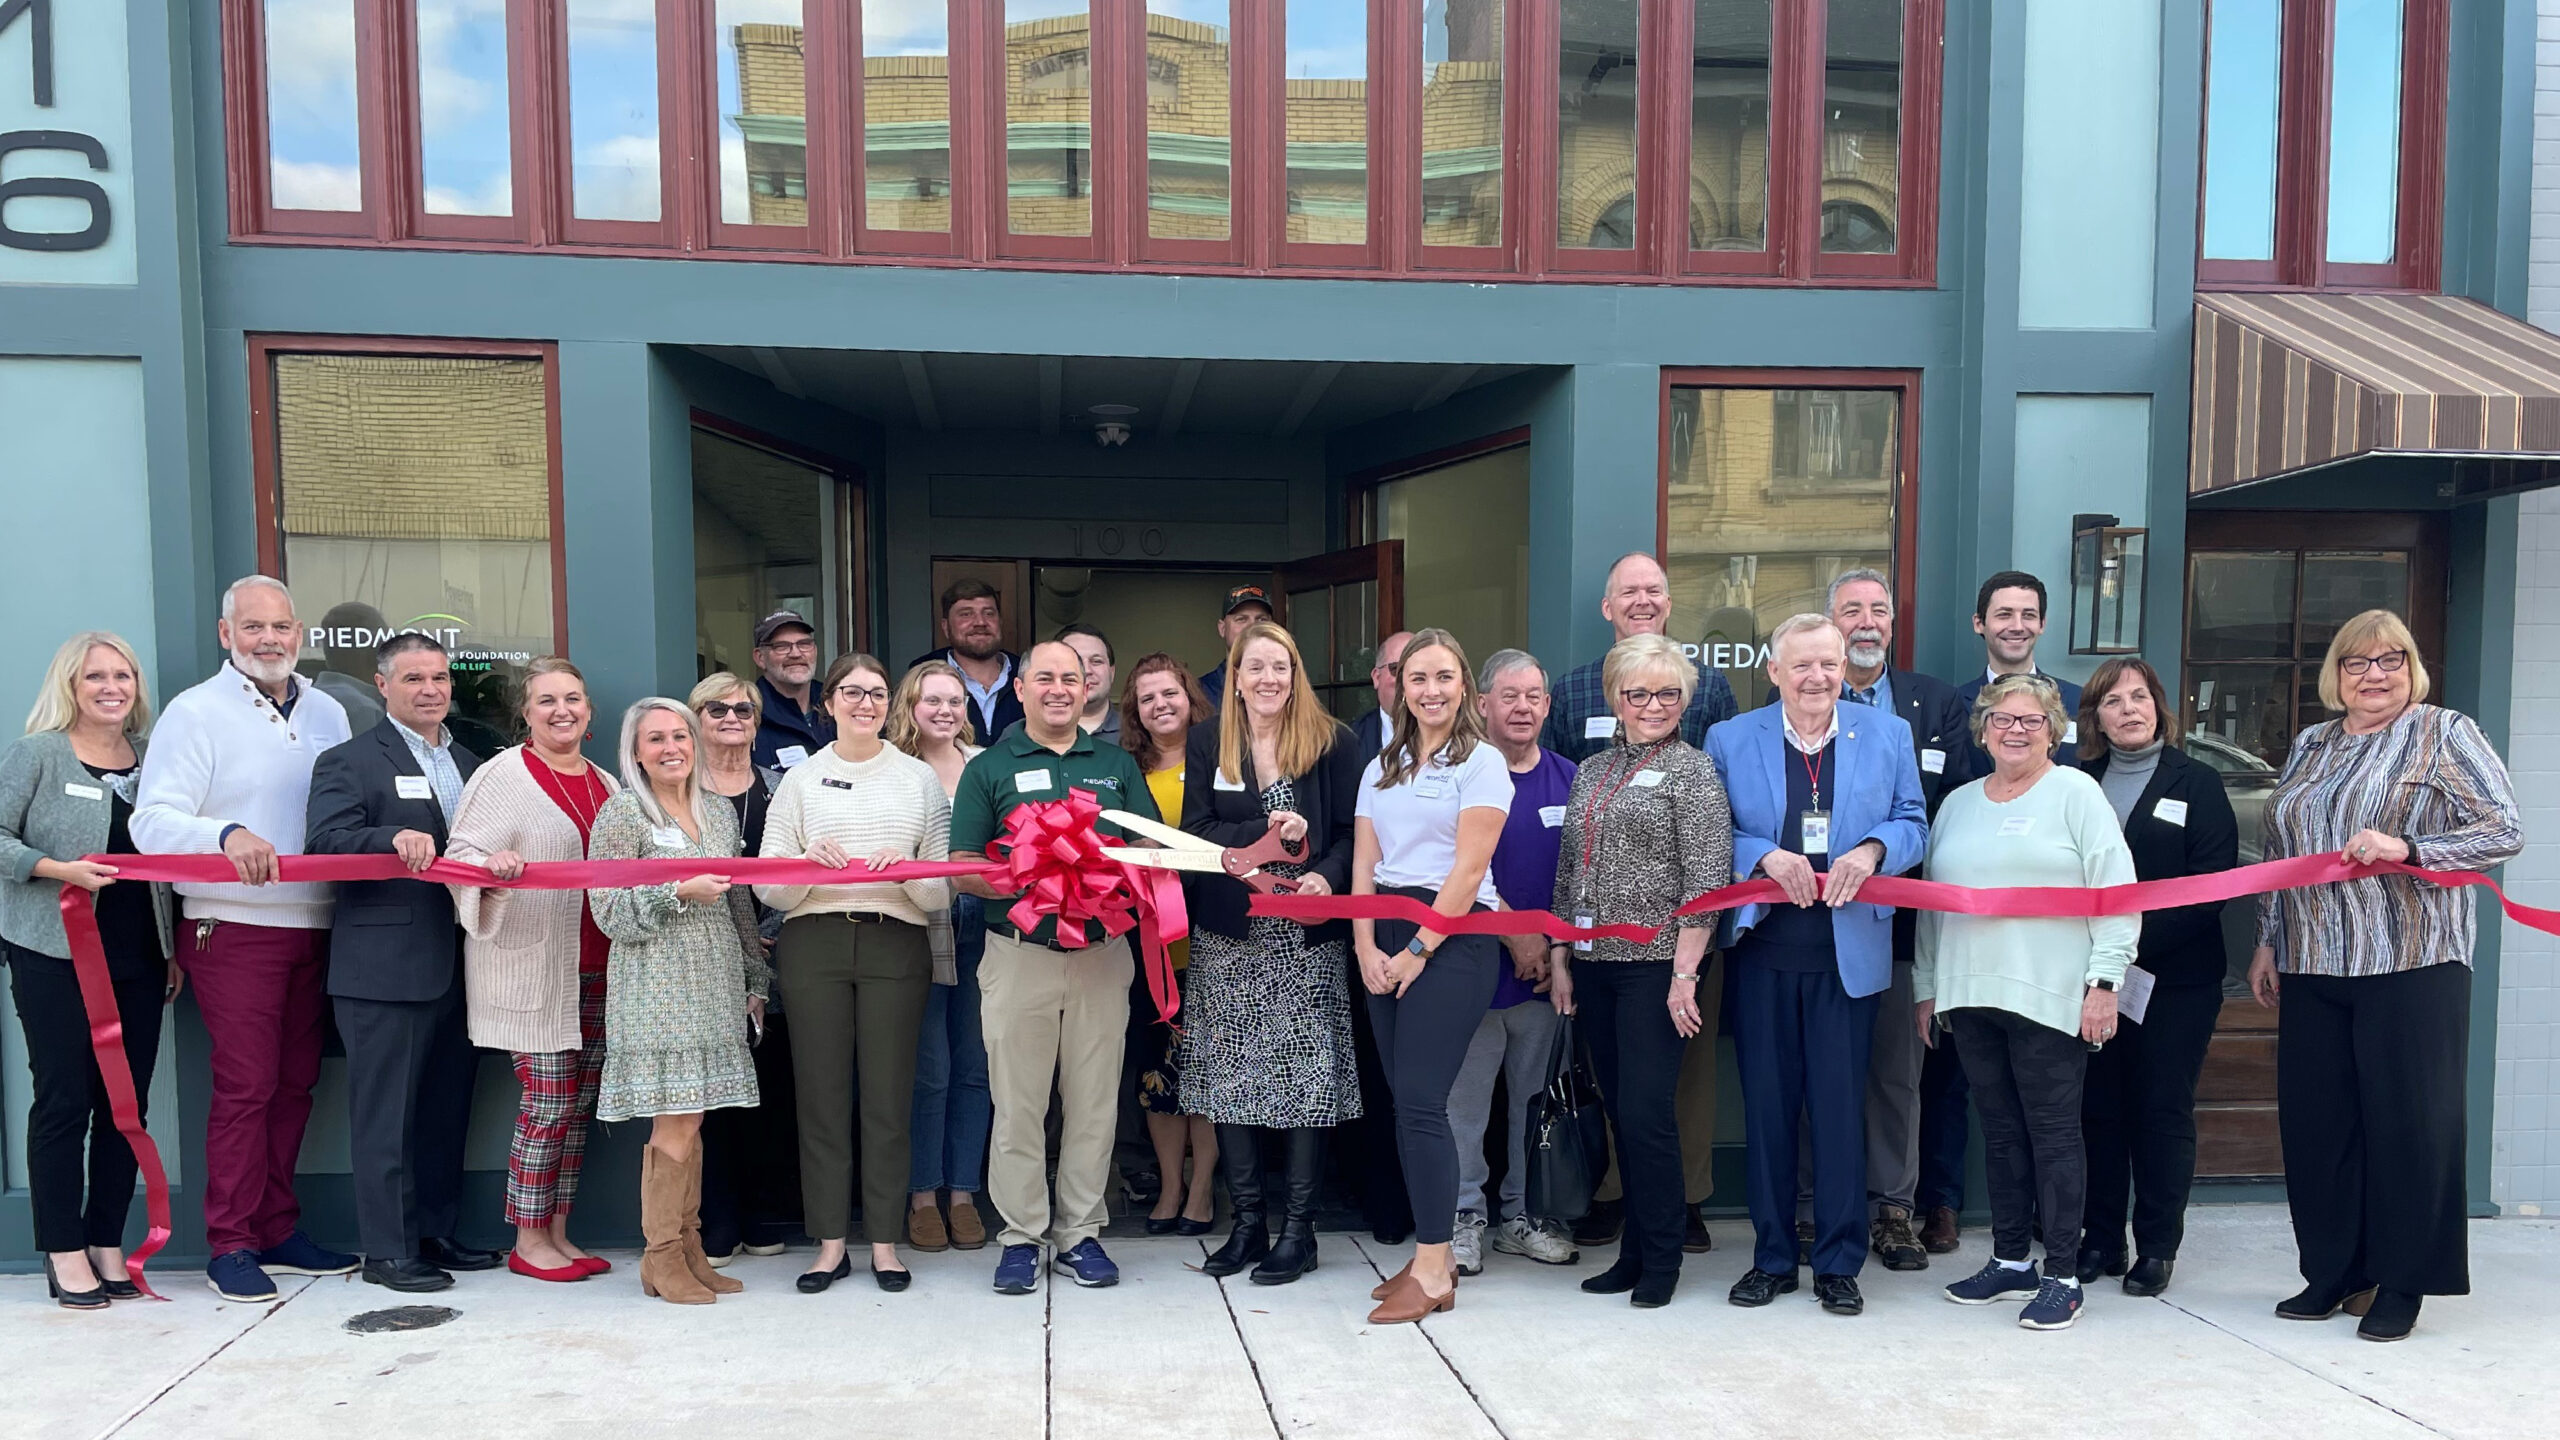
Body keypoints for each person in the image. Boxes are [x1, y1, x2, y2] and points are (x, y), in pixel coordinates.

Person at [2250, 610, 2521, 1342]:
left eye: (2390, 660)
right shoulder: (2313, 743)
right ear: (2335, 675)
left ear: (2413, 667)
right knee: (2320, 1128)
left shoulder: (2445, 733)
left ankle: (2403, 1281)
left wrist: (2406, 843)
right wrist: (2269, 940)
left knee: (2410, 1128)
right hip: (2313, 959)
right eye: (2357, 662)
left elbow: (2504, 828)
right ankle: (2336, 1272)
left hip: (2411, 961)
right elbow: (2283, 848)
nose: (2375, 674)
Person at [132, 575, 359, 1303]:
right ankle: (229, 1242)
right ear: (226, 635)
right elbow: (152, 820)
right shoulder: (194, 713)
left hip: (319, 923)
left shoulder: (327, 711)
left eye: (282, 627)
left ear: (300, 634)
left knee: (296, 1085)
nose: (270, 640)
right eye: (253, 627)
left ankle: (277, 1227)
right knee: (246, 1087)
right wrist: (223, 833)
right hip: (232, 925)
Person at [1708, 616, 1926, 1318]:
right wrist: (1763, 857)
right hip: (1765, 953)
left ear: (1844, 667)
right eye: (1801, 665)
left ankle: (1838, 1262)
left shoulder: (1886, 733)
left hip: (1848, 958)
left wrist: (1870, 851)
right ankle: (1772, 1257)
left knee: (1839, 1113)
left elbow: (1914, 822)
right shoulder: (1731, 738)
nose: (1816, 677)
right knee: (1769, 1112)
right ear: (1774, 670)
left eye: (1828, 664)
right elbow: (1713, 833)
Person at [1917, 674, 2137, 1333]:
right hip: (1971, 993)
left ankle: (2062, 1274)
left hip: (2051, 994)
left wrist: (2105, 981)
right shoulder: (1956, 803)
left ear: (2056, 730)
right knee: (2002, 1133)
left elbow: (2116, 891)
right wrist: (1928, 990)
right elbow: (1932, 905)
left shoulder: (2076, 794)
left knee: (2052, 1133)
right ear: (1982, 729)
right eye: (2002, 719)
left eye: (2031, 721)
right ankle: (2011, 1259)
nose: (2015, 730)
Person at [947, 639, 1159, 1296]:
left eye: (1071, 678)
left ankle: (1081, 1233)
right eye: (1046, 678)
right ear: (1022, 688)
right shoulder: (991, 768)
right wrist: (1030, 878)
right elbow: (962, 867)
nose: (1060, 689)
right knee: (1017, 1105)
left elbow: (1148, 845)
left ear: (1087, 685)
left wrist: (1104, 873)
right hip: (1019, 957)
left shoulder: (1116, 762)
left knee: (1094, 1103)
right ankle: (1020, 1235)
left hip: (1102, 957)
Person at [1541, 551, 1737, 1249]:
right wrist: (1564, 947)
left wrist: (1687, 963)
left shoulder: (1710, 695)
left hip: (1671, 951)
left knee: (1670, 1089)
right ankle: (1621, 1202)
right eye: (1629, 592)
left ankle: (1677, 1210)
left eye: (1654, 590)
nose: (1652, 705)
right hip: (1597, 956)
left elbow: (1710, 850)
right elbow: (1571, 846)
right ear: (1607, 606)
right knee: (1619, 1089)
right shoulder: (1571, 700)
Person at [1790, 568, 1972, 1271]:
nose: (1865, 622)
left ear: (1892, 623)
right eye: (1849, 611)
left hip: (1901, 925)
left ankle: (1894, 1208)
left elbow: (1946, 811)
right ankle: (1813, 1207)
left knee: (1896, 1073)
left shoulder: (1933, 703)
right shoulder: (1793, 706)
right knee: (1817, 1072)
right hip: (1812, 922)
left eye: (1878, 611)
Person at [304, 634, 496, 1292]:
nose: (430, 689)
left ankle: (434, 1232)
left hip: (460, 962)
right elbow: (324, 843)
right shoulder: (350, 761)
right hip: (383, 967)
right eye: (413, 678)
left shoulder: (471, 762)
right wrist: (388, 838)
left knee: (445, 1111)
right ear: (382, 685)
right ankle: (387, 1251)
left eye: (439, 677)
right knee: (385, 1118)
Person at [758, 654, 950, 1295]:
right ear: (829, 702)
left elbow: (941, 894)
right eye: (851, 692)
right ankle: (831, 1244)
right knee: (821, 1096)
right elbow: (773, 890)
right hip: (813, 942)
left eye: (875, 693)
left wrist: (909, 872)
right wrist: (804, 865)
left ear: (887, 704)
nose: (864, 703)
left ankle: (887, 1244)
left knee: (889, 1098)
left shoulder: (919, 779)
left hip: (896, 942)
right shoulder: (801, 780)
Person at [1181, 624, 1362, 1286]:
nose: (1268, 678)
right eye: (1254, 666)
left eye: (1280, 666)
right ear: (1234, 675)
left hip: (1304, 938)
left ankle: (1299, 1231)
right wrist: (1262, 833)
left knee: (1304, 1083)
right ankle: (1248, 1224)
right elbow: (1195, 834)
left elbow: (1348, 832)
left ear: (1295, 673)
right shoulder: (1209, 742)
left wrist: (1327, 874)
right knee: (1230, 1080)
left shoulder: (1333, 740)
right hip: (1232, 938)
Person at [0, 632, 177, 1308]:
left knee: (124, 1108)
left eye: (123, 674)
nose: (112, 687)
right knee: (64, 1099)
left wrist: (170, 952)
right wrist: (56, 870)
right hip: (52, 953)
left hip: (137, 957)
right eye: (95, 676)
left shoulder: (152, 760)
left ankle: (108, 1240)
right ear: (70, 686)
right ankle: (63, 1248)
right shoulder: (38, 754)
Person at [1920, 570, 2086, 1254]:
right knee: (1964, 1092)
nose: (2015, 624)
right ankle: (1948, 1207)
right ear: (1978, 623)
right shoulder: (1945, 705)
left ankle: (2063, 1247)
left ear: (2042, 624)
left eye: (2028, 614)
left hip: (2050, 957)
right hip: (1966, 947)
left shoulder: (2080, 705)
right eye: (2002, 613)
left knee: (2052, 1117)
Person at [587, 699, 772, 1305]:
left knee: (695, 1120)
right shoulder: (620, 815)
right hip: (656, 984)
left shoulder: (717, 812)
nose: (671, 748)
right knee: (674, 1119)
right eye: (656, 739)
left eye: (679, 736)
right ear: (635, 752)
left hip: (715, 980)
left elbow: (740, 901)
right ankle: (660, 1256)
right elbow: (608, 912)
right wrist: (677, 893)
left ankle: (689, 1249)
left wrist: (755, 979)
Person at [1352, 628, 1512, 1324]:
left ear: (1464, 685)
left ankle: (1434, 1267)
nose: (1431, 690)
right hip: (1381, 932)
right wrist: (1364, 944)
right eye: (1418, 678)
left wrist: (1417, 951)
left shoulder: (1482, 764)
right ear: (1398, 685)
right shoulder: (1381, 765)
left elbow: (1469, 870)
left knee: (1423, 1104)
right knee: (1404, 1104)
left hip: (1451, 938)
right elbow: (1364, 863)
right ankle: (1432, 1256)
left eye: (1444, 677)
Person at [444, 657, 619, 1283]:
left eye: (572, 698)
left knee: (577, 1106)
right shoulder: (502, 775)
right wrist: (493, 865)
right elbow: (459, 855)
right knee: (546, 1103)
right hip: (532, 968)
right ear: (526, 711)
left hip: (598, 967)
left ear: (590, 710)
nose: (561, 710)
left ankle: (560, 1232)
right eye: (546, 701)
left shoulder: (607, 782)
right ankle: (527, 1237)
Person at [2071, 657, 2238, 1297]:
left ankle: (2157, 1246)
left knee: (2161, 1110)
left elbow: (2211, 887)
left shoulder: (2198, 782)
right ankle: (2102, 1239)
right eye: (2114, 701)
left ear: (2160, 706)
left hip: (2175, 981)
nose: (2130, 710)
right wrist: (2101, 966)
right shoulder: (2078, 782)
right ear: (2097, 718)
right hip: (2092, 981)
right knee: (2099, 1110)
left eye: (2140, 697)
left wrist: (2128, 952)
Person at [1448, 649, 1579, 1274]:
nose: (1522, 706)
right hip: (1471, 971)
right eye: (1509, 695)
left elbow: (1582, 879)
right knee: (1463, 1110)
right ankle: (1463, 1220)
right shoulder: (1457, 774)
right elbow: (1453, 870)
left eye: (1534, 696)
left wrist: (1555, 952)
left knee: (1535, 1105)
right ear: (1483, 704)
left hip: (1545, 981)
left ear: (1547, 706)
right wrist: (1513, 936)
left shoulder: (1572, 779)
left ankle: (1523, 1217)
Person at [692, 673, 799, 1266]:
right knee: (713, 1096)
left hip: (780, 957)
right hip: (707, 961)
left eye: (744, 709)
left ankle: (764, 1214)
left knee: (771, 1092)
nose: (731, 717)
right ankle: (718, 1219)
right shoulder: (679, 790)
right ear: (695, 718)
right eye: (716, 709)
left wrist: (768, 935)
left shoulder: (785, 786)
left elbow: (804, 862)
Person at [890, 661, 992, 1254]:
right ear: (911, 705)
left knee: (975, 1066)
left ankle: (963, 1194)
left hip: (984, 928)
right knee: (928, 1070)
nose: (945, 710)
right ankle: (922, 1195)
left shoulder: (985, 765)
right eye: (932, 700)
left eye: (955, 701)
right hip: (916, 923)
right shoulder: (895, 770)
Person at [1119, 653, 1218, 1239]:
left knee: (1207, 1072)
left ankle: (1203, 1189)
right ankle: (1170, 1186)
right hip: (1148, 942)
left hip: (1213, 937)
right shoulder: (1125, 769)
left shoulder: (1220, 760)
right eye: (1147, 698)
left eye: (1170, 694)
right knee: (1157, 1074)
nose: (1160, 705)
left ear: (1190, 698)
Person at [910, 580, 1023, 743]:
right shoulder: (920, 678)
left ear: (1000, 622)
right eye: (966, 614)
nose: (980, 622)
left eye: (989, 613)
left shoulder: (1028, 675)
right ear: (945, 627)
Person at [748, 610, 833, 773]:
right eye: (781, 646)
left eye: (804, 644)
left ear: (814, 650)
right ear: (760, 657)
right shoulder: (747, 715)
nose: (795, 653)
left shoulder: (840, 705)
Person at [1197, 583, 1277, 710]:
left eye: (1261, 620)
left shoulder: (1284, 685)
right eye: (1241, 619)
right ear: (1222, 628)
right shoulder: (1200, 691)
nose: (1252, 627)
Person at [1350, 630, 1414, 764]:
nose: (1406, 680)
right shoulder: (1348, 742)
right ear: (1377, 677)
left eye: (1417, 672)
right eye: (1396, 669)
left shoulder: (1454, 740)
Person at [1057, 625, 1121, 745]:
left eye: (1096, 661)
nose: (1087, 670)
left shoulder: (1142, 733)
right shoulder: (1023, 734)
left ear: (1112, 673)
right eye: (1076, 661)